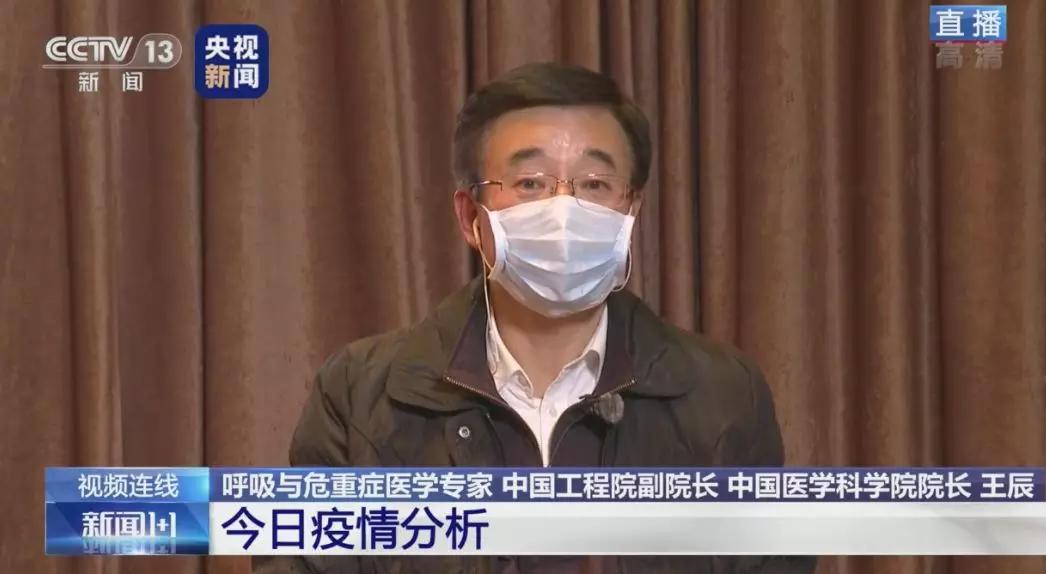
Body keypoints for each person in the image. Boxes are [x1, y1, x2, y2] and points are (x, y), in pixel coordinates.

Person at [254, 62, 815, 574]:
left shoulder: (722, 396)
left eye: (594, 185)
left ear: (631, 210)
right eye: (530, 184)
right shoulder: (359, 396)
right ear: (471, 217)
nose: (563, 209)